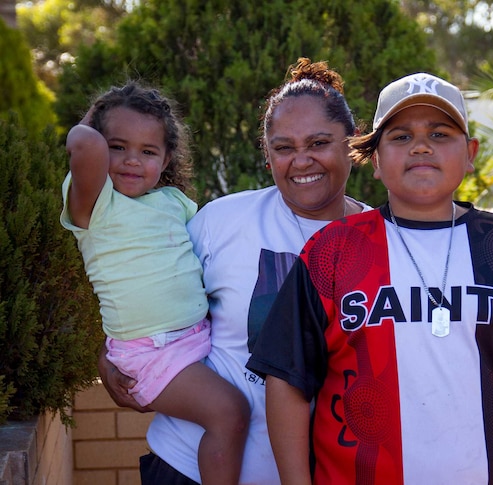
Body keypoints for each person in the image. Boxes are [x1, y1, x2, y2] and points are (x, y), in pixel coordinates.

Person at [246, 72, 493, 485]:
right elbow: (286, 382)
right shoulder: (331, 251)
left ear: (470, 153)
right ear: (373, 158)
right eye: (401, 137)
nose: (421, 146)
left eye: (440, 134)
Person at [96, 59, 370, 484]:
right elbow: (139, 283)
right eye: (283, 148)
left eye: (318, 142)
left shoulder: (382, 243)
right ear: (266, 154)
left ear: (350, 142)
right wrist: (111, 354)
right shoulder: (222, 222)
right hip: (188, 467)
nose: (301, 161)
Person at [62, 82, 250, 485]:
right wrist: (93, 118)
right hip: (151, 353)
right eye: (118, 146)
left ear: (166, 159)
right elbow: (82, 144)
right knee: (230, 412)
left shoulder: (172, 203)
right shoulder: (95, 205)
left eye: (148, 152)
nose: (132, 161)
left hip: (195, 340)